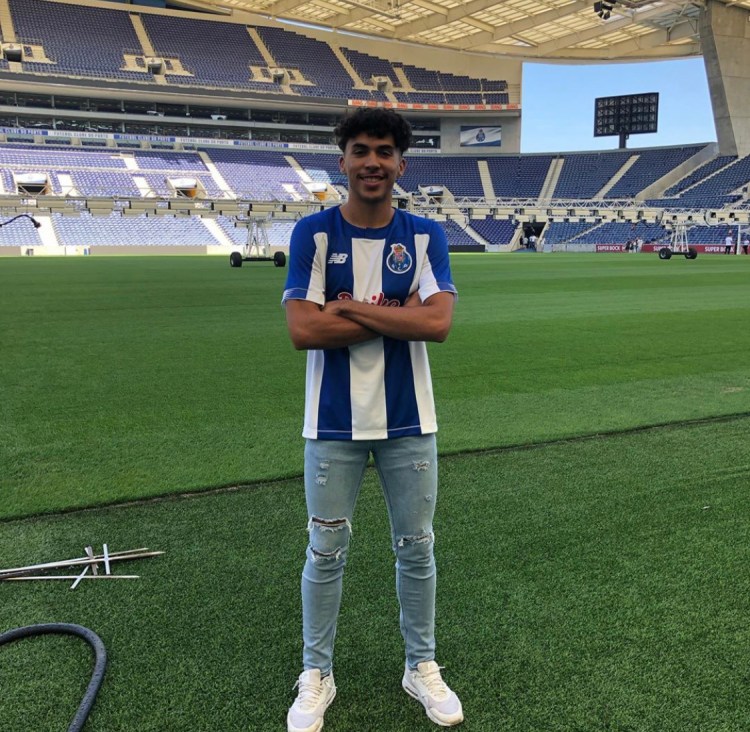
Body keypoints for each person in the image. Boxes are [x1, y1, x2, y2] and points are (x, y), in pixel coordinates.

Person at [282, 107, 463, 732]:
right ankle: (316, 673)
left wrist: (348, 308)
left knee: (417, 549)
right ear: (344, 162)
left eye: (384, 152)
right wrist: (396, 311)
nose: (372, 162)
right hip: (331, 423)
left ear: (400, 165)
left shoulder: (424, 236)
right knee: (325, 551)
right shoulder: (313, 233)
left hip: (409, 422)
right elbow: (304, 331)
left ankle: (421, 665)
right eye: (361, 150)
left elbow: (437, 323)